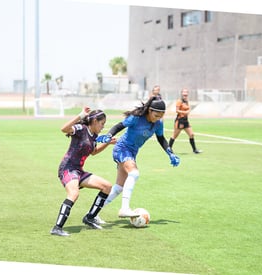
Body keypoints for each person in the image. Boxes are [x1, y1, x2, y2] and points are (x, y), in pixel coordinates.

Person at [96, 97, 180, 218]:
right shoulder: (136, 118)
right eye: (156, 115)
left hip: (132, 152)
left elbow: (161, 139)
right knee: (134, 173)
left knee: (119, 187)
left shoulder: (158, 123)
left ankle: (93, 214)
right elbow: (119, 126)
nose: (158, 118)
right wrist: (109, 135)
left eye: (161, 116)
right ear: (150, 111)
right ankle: (124, 208)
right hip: (122, 149)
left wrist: (170, 153)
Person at [50, 107, 116, 237]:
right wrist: (80, 115)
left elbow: (94, 152)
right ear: (95, 121)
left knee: (107, 187)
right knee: (74, 193)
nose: (103, 127)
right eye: (102, 124)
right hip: (67, 169)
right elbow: (64, 129)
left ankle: (90, 217)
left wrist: (107, 143)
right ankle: (57, 228)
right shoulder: (81, 129)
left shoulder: (94, 135)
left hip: (78, 171)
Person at [168, 88, 202, 154]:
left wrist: (187, 112)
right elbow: (177, 110)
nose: (185, 94)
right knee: (174, 136)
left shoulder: (186, 101)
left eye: (186, 93)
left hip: (186, 121)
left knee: (191, 134)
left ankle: (194, 150)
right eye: (184, 93)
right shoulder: (179, 101)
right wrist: (185, 112)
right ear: (182, 93)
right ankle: (169, 148)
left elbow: (188, 110)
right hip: (180, 121)